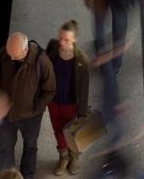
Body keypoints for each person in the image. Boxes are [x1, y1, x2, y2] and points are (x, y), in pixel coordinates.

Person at [0, 33, 56, 178]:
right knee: (5, 148)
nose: (11, 59)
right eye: (10, 55)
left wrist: (35, 108)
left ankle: (27, 176)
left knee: (30, 146)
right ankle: (8, 176)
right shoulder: (5, 54)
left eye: (15, 56)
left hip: (30, 117)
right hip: (6, 114)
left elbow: (50, 90)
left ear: (26, 50)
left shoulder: (42, 62)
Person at [46, 20, 90, 175]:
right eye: (60, 38)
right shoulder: (52, 49)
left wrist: (82, 112)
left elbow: (84, 89)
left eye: (66, 40)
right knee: (57, 130)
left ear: (74, 40)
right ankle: (63, 157)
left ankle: (75, 156)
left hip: (70, 104)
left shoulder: (81, 60)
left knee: (71, 133)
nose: (62, 42)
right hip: (54, 102)